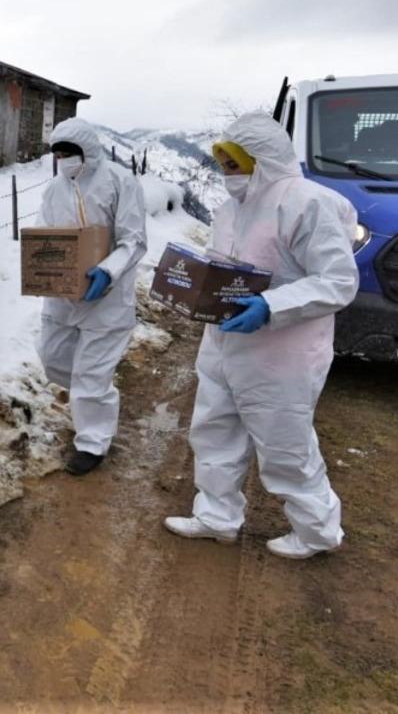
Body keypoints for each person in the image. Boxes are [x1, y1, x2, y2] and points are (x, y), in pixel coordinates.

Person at [164, 112, 359, 559]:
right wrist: (194, 288)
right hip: (225, 340)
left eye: (235, 163)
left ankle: (317, 532)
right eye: (224, 164)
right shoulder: (231, 208)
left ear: (263, 158)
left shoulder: (308, 203)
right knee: (213, 432)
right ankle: (216, 516)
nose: (228, 174)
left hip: (282, 352)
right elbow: (221, 265)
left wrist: (270, 306)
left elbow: (337, 281)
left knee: (285, 444)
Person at [37, 118, 147, 475]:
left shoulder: (119, 181)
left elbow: (134, 240)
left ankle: (92, 443)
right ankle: (90, 403)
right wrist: (42, 268)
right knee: (54, 358)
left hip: (107, 299)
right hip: (63, 295)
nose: (64, 160)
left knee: (91, 374)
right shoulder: (55, 189)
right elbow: (44, 235)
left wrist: (109, 270)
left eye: (70, 153)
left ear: (88, 150)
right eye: (58, 154)